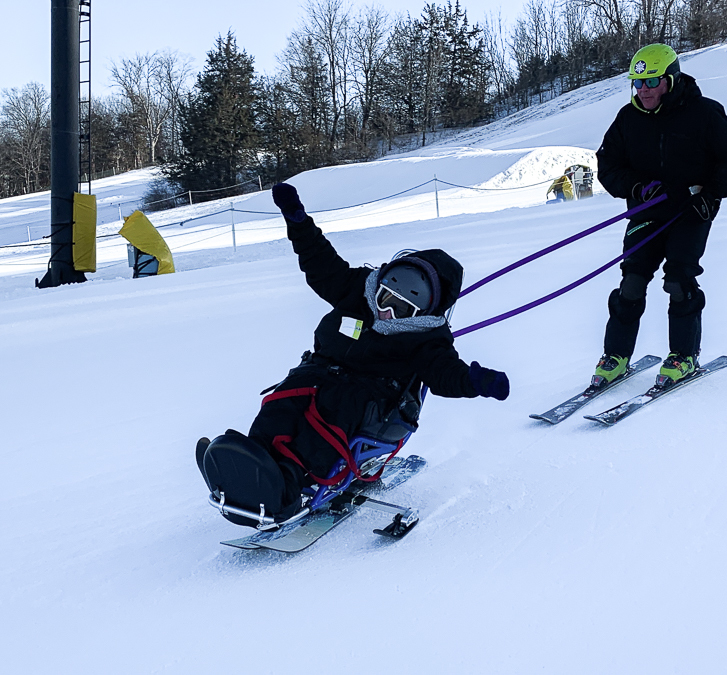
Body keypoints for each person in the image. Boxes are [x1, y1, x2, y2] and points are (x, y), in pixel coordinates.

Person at [197, 183, 509, 525]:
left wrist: (477, 381)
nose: (386, 313)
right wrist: (298, 220)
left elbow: (444, 373)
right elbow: (320, 263)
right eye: (385, 299)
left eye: (400, 310)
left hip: (373, 397)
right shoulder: (359, 289)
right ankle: (252, 461)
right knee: (283, 401)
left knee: (328, 416)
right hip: (317, 371)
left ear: (420, 314)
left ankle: (288, 484)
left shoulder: (429, 337)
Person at [591, 43, 727, 389]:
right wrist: (636, 187)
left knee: (678, 280)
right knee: (631, 282)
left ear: (670, 79)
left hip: (690, 212)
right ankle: (615, 356)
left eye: (651, 81)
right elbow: (608, 165)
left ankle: (683, 356)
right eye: (637, 83)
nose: (643, 90)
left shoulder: (704, 113)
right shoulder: (627, 119)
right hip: (648, 214)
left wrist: (711, 194)